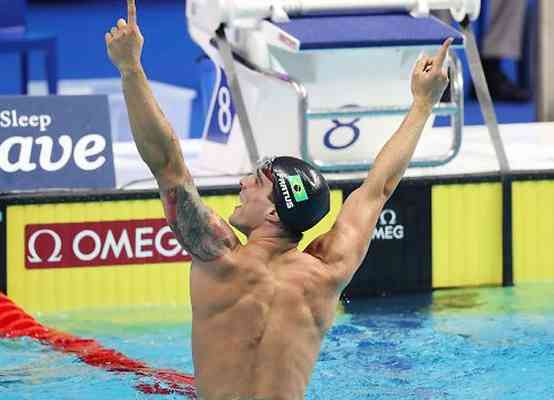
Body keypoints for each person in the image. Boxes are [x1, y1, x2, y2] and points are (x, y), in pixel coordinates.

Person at [105, 1, 452, 398]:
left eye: (255, 182)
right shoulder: (326, 272)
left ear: (273, 210)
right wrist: (423, 104)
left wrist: (131, 70)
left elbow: (168, 165)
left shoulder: (218, 258)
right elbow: (379, 188)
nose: (241, 183)